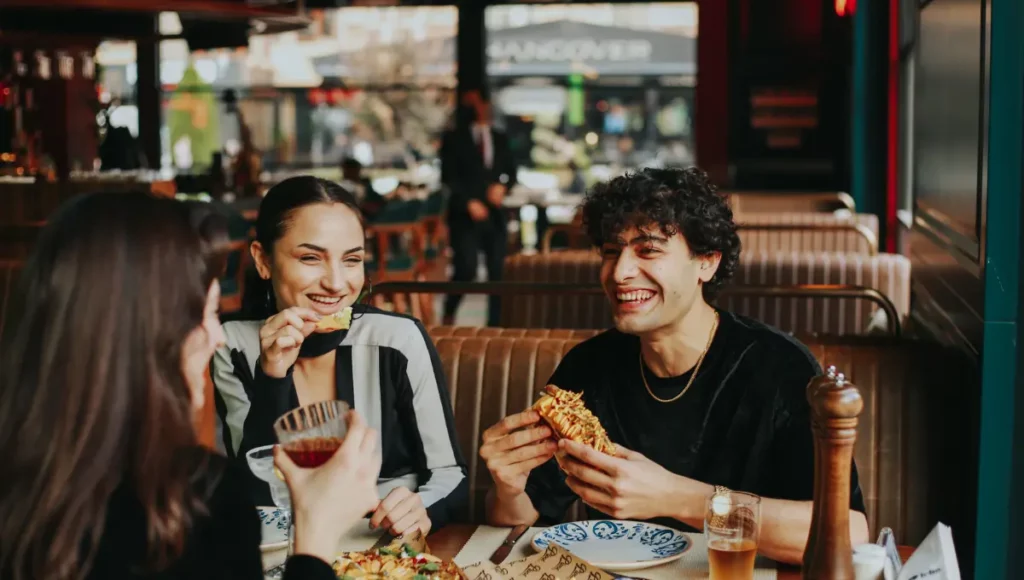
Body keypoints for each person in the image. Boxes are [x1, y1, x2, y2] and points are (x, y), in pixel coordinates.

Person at [478, 167, 869, 565]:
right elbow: (522, 523)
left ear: (707, 263)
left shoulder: (778, 367)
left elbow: (849, 533)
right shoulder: (589, 368)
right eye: (612, 251)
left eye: (648, 250)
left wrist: (678, 497)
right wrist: (508, 487)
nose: (619, 272)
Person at [0, 192, 381, 580]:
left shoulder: (21, 484)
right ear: (146, 332)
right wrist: (315, 532)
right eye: (206, 314)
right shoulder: (198, 505)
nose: (215, 337)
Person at [212, 176, 467, 537]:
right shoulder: (233, 346)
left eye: (351, 260)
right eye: (311, 258)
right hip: (288, 549)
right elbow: (259, 493)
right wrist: (272, 376)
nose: (336, 282)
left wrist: (418, 509)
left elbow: (450, 475)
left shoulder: (398, 339)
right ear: (263, 260)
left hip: (385, 546)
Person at [439, 88, 518, 326]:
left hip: (494, 214)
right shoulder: (454, 138)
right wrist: (468, 202)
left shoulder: (500, 137)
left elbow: (511, 173)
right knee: (466, 268)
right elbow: (448, 177)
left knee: (498, 271)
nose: (474, 108)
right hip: (464, 215)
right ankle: (449, 312)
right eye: (468, 103)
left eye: (477, 102)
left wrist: (503, 187)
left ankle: (496, 323)